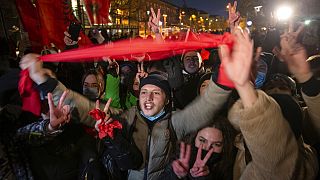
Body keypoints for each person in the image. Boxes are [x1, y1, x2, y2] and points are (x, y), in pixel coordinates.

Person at [19, 50, 232, 180]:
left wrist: (226, 72)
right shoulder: (125, 117)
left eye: (156, 93)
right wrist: (43, 80)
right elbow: (83, 107)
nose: (148, 98)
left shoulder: (176, 121)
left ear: (166, 99)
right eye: (145, 92)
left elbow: (205, 107)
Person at [223, 27, 318, 179]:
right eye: (271, 89)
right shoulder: (239, 139)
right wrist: (248, 88)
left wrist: (245, 86)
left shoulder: (300, 160)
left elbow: (274, 155)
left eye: (282, 88)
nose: (276, 92)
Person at [160, 116, 236, 180]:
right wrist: (176, 175)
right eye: (202, 141)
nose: (207, 148)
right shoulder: (181, 156)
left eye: (216, 144)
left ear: (224, 146)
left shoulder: (229, 164)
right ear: (194, 138)